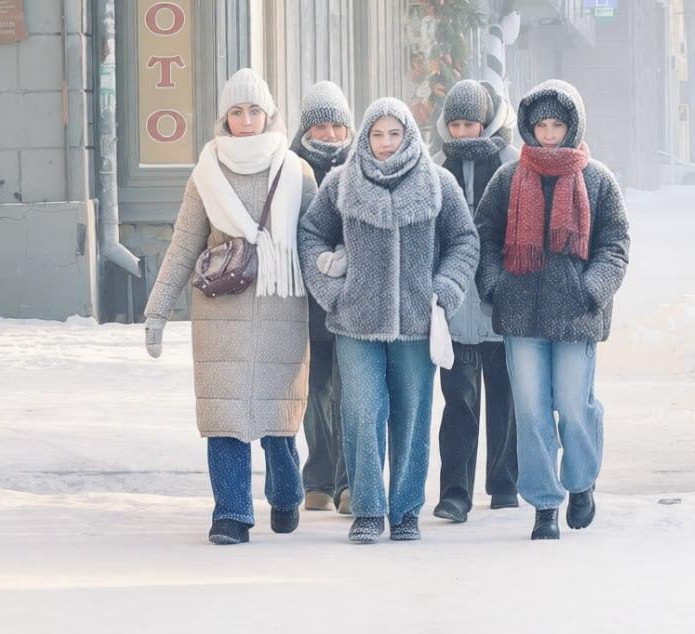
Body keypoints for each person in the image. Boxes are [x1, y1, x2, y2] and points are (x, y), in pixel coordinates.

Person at [142, 69, 317, 546]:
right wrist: (157, 312)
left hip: (282, 308)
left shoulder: (297, 170)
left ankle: (285, 495)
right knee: (225, 418)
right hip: (221, 311)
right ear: (225, 118)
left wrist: (337, 294)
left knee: (278, 418)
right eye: (236, 112)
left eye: (253, 110)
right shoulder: (205, 174)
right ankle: (232, 514)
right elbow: (182, 247)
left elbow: (314, 243)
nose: (245, 120)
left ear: (269, 114)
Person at [298, 98, 479, 544]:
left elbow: (464, 240)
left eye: (393, 134)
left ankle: (404, 511)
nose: (384, 143)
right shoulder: (342, 182)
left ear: (409, 136)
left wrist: (446, 290)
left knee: (412, 415)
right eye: (376, 135)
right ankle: (367, 508)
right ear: (364, 136)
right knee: (360, 411)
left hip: (417, 324)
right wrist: (331, 290)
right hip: (354, 322)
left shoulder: (439, 183)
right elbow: (311, 234)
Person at [474, 79, 630, 541]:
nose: (547, 134)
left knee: (573, 406)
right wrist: (496, 284)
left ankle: (581, 481)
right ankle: (545, 503)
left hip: (576, 315)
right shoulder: (508, 178)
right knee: (531, 410)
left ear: (572, 125)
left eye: (556, 124)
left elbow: (616, 244)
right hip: (521, 314)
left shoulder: (597, 178)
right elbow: (483, 237)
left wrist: (591, 289)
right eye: (540, 124)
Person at [428, 80, 520, 523]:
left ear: (486, 122)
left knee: (505, 395)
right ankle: (455, 491)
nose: (464, 132)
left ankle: (504, 484)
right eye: (457, 124)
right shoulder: (435, 166)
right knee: (459, 400)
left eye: (472, 123)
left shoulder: (510, 164)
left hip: (500, 303)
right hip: (455, 306)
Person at [289, 81, 355, 515]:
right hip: (304, 299)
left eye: (336, 125)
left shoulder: (363, 163)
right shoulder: (290, 168)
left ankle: (350, 482)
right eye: (320, 125)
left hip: (353, 299)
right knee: (314, 391)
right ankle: (317, 479)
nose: (329, 134)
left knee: (351, 391)